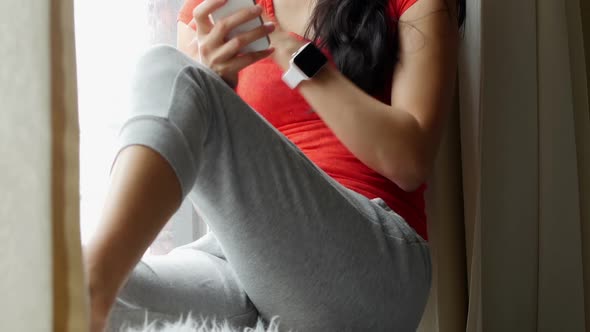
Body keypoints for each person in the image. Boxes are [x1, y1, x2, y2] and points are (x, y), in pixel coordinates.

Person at [85, 0, 465, 330]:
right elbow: (216, 195)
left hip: (375, 260)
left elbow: (409, 159)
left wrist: (295, 57)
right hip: (251, 265)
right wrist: (220, 87)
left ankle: (94, 280)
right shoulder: (213, 14)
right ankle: (90, 284)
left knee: (171, 70)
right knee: (63, 291)